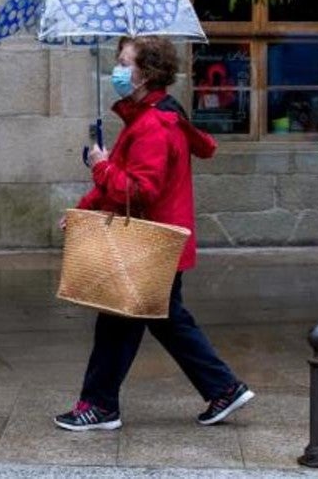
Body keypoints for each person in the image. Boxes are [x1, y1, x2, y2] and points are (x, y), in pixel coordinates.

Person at [54, 36, 254, 432]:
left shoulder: (153, 125)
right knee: (163, 320)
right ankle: (223, 389)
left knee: (118, 322)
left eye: (125, 62)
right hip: (155, 243)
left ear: (145, 74)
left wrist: (100, 166)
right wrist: (84, 208)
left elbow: (139, 190)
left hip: (149, 244)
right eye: (119, 60)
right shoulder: (149, 118)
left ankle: (99, 405)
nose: (118, 69)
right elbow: (124, 182)